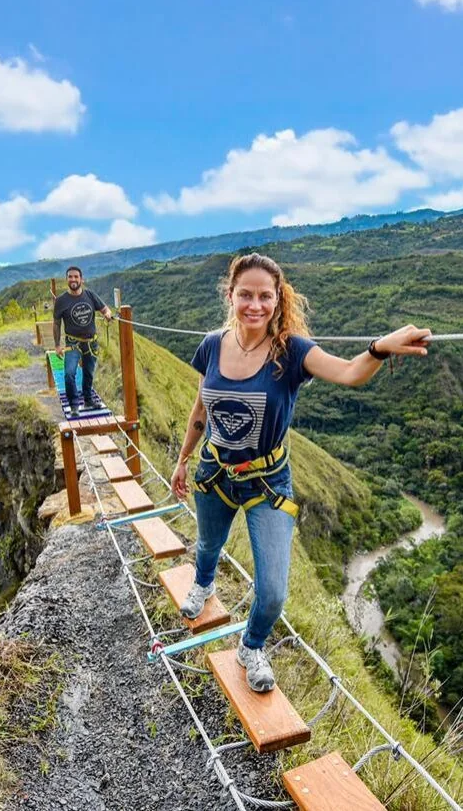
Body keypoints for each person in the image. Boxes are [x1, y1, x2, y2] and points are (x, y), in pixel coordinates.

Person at [170, 252, 431, 693]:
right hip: (214, 470)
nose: (255, 305)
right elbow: (202, 407)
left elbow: (348, 373)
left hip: (267, 482)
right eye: (246, 295)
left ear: (278, 299)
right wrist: (182, 458)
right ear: (230, 295)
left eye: (265, 296)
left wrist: (378, 349)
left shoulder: (291, 352)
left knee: (272, 591)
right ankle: (202, 583)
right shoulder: (212, 345)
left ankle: (251, 646)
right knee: (208, 543)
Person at [53, 266, 113, 417]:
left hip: (91, 343)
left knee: (88, 372)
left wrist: (107, 314)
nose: (73, 279)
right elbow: (56, 323)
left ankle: (88, 400)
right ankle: (74, 405)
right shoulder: (61, 301)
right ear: (67, 279)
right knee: (69, 373)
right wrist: (57, 345)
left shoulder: (90, 295)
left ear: (81, 279)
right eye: (70, 277)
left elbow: (104, 308)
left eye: (76, 277)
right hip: (72, 343)